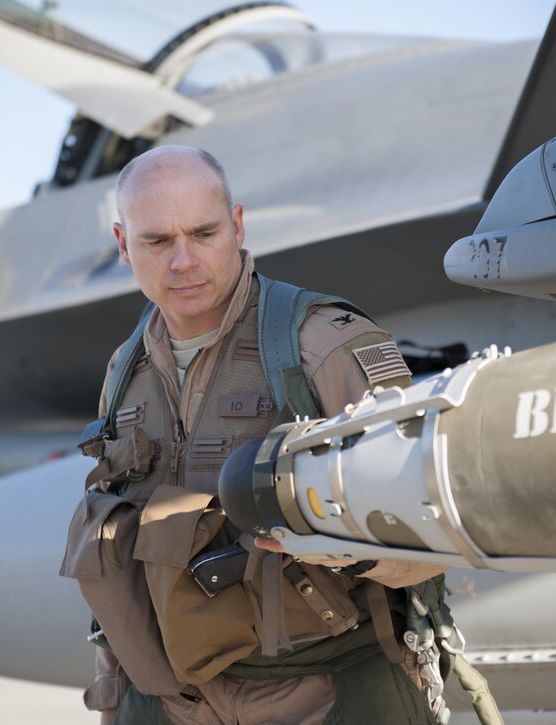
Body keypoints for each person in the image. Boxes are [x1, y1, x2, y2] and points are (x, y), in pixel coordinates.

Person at [72, 145, 451, 724]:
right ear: (124, 245)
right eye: (156, 242)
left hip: (320, 691)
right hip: (171, 698)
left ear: (238, 226)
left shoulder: (320, 345)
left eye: (203, 233)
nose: (184, 261)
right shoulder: (126, 373)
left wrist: (339, 546)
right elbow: (119, 554)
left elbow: (435, 527)